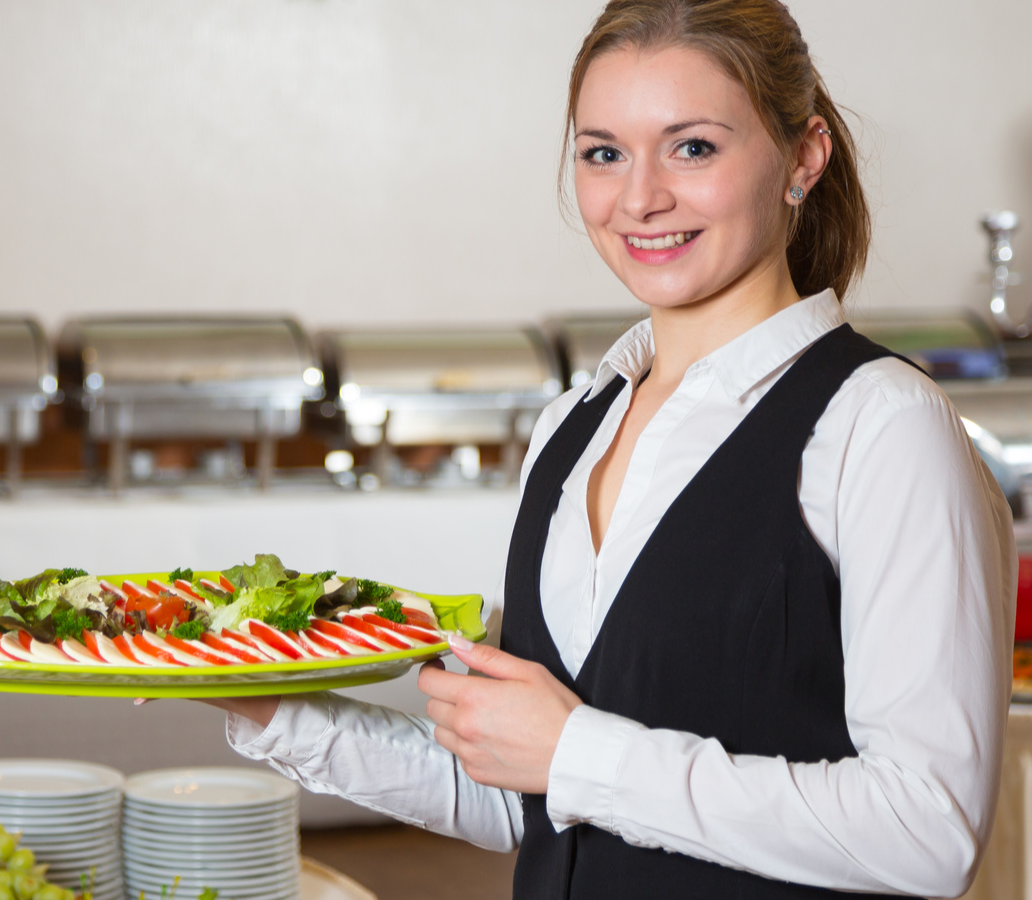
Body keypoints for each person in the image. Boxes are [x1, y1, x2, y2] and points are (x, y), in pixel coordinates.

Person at [206, 0, 1017, 896]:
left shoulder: (881, 424)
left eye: (693, 147)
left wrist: (581, 753)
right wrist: (266, 702)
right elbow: (529, 796)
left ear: (803, 157)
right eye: (604, 153)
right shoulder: (572, 429)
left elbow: (927, 831)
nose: (640, 198)